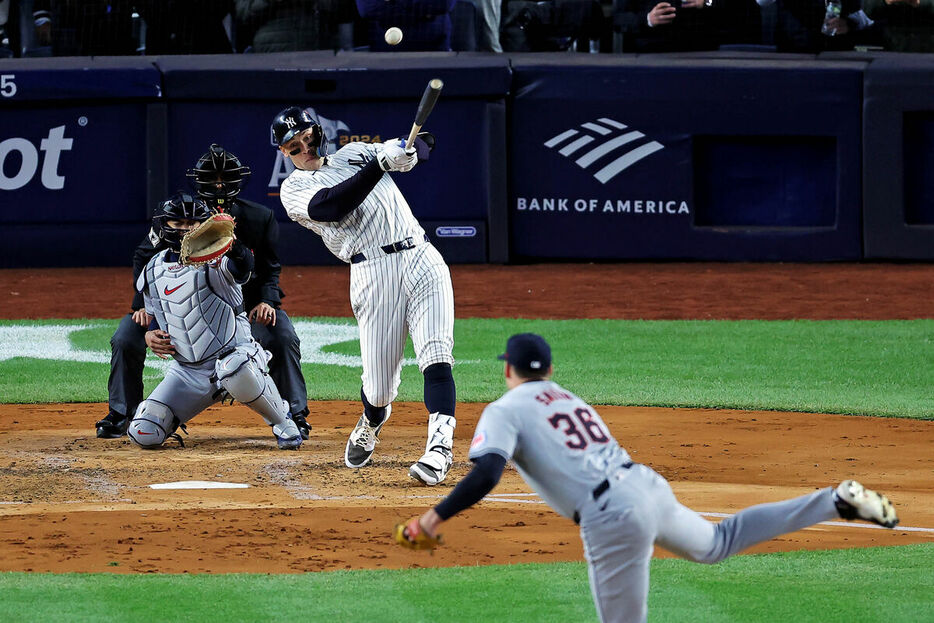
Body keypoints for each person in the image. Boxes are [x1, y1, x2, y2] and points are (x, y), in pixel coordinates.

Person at [395, 333, 900, 623]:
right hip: (645, 486)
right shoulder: (569, 397)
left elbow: (486, 472)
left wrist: (433, 518)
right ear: (548, 368)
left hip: (613, 514)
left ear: (508, 369)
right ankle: (834, 501)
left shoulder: (505, 408)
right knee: (718, 541)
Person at [271, 106, 457, 486]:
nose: (304, 147)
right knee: (380, 387)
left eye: (308, 137)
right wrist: (380, 166)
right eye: (294, 146)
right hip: (373, 273)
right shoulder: (294, 190)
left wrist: (409, 151)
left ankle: (440, 450)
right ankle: (372, 419)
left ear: (318, 133)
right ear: (284, 153)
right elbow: (332, 205)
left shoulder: (355, 152)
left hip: (422, 257)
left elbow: (427, 143)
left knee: (436, 356)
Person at [96, 144, 311, 442]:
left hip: (240, 304)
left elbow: (269, 267)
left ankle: (293, 414)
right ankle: (122, 414)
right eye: (212, 177)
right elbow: (144, 258)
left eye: (225, 177)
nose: (219, 184)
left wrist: (266, 300)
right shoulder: (181, 213)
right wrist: (142, 308)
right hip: (172, 307)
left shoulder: (259, 217)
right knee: (125, 336)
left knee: (282, 334)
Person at [127, 192, 303, 450]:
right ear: (164, 225)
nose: (186, 230)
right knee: (144, 432)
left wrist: (233, 245)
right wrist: (150, 335)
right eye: (179, 223)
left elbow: (243, 267)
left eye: (193, 224)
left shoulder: (218, 262)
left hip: (234, 356)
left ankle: (282, 421)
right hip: (187, 371)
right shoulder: (152, 268)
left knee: (235, 368)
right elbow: (157, 315)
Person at [863, 0, 934, 52]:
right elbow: (861, 13)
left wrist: (920, 2)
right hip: (893, 47)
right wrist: (886, 1)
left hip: (928, 46)